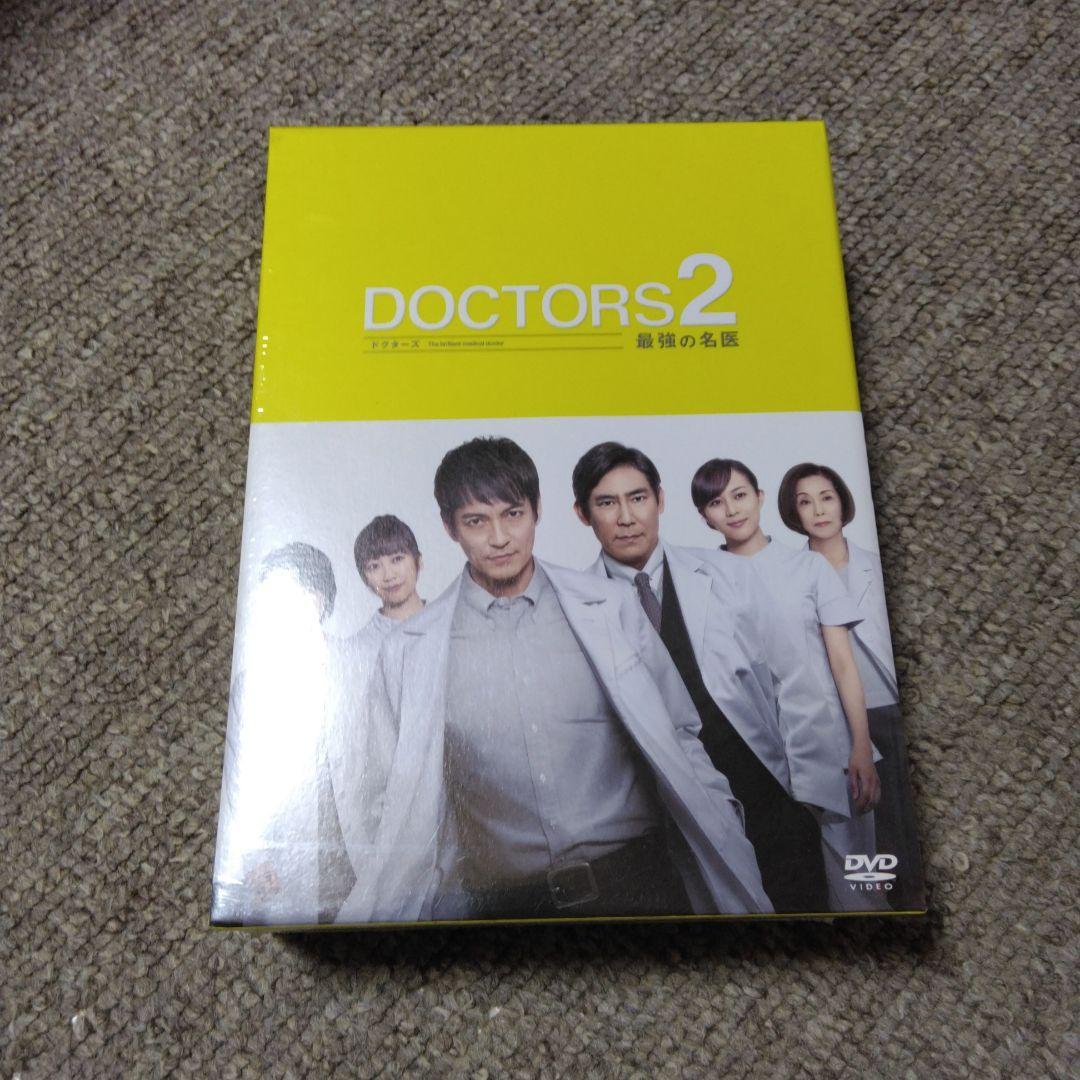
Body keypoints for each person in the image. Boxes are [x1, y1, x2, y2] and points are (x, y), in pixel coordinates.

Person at [336, 437, 772, 924]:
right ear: (449, 527)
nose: (500, 538)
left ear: (537, 510)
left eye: (513, 514)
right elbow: (385, 794)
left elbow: (680, 736)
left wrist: (729, 832)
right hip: (503, 907)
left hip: (639, 884)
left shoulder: (610, 606)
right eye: (476, 521)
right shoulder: (409, 650)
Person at [571, 442, 830, 914]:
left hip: (766, 787)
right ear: (583, 514)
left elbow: (793, 678)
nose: (626, 517)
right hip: (667, 809)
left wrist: (808, 792)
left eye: (638, 498)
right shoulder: (576, 608)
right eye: (607, 503)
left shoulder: (727, 573)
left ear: (660, 500)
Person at [692, 458, 883, 911]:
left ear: (759, 498)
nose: (732, 510)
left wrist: (861, 746)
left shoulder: (809, 567)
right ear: (704, 516)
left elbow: (843, 663)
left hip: (830, 746)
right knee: (791, 894)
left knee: (861, 891)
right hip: (757, 762)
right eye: (716, 503)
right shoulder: (702, 581)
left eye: (740, 495)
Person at [778, 462, 923, 908]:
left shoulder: (877, 567)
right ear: (792, 512)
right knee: (858, 836)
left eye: (827, 497)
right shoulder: (786, 577)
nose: (819, 510)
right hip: (833, 721)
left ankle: (908, 906)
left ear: (843, 502)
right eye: (805, 502)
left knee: (907, 827)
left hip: (889, 710)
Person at [212, 542, 339, 925]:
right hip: (281, 856)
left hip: (351, 847)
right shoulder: (252, 683)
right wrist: (253, 857)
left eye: (304, 591)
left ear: (321, 598)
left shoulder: (355, 662)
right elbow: (239, 781)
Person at [324, 515, 427, 919]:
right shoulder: (355, 655)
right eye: (374, 565)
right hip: (393, 814)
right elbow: (355, 761)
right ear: (364, 578)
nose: (388, 574)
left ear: (419, 561)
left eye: (397, 559)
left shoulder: (454, 626)